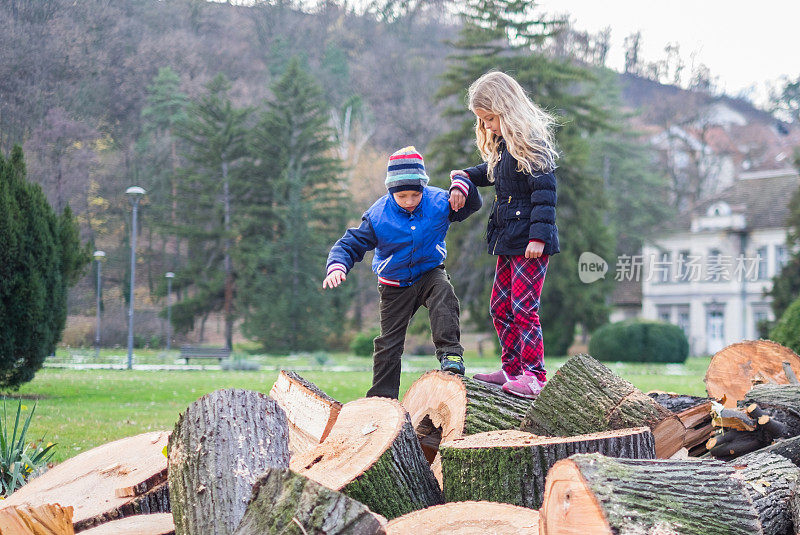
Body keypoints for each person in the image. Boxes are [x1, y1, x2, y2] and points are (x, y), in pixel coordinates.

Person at [324, 146, 482, 399]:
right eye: (402, 196)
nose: (409, 201)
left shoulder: (440, 202)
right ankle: (382, 398)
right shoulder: (378, 216)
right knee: (389, 343)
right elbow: (349, 244)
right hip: (394, 283)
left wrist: (462, 186)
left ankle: (451, 354)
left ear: (423, 188)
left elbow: (472, 204)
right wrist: (338, 266)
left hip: (430, 272)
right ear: (391, 192)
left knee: (444, 294)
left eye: (415, 194)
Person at [449, 71, 560, 399]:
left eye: (490, 119)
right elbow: (490, 173)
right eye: (481, 121)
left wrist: (538, 237)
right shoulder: (502, 147)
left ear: (506, 109)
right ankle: (511, 368)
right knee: (500, 306)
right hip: (507, 239)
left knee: (523, 307)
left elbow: (545, 194)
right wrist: (466, 175)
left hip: (531, 243)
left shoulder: (532, 144)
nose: (486, 127)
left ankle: (534, 375)